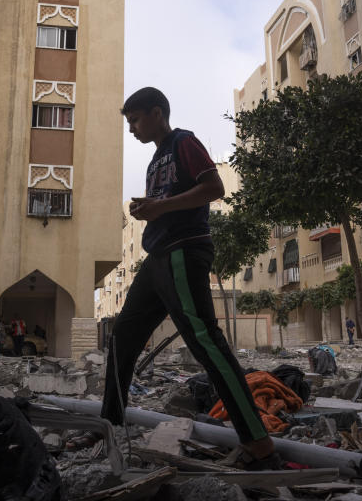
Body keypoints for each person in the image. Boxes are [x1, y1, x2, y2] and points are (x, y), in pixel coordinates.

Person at [101, 87, 278, 470]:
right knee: (124, 338)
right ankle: (109, 426)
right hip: (157, 256)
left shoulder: (184, 141)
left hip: (183, 251)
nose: (131, 129)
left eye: (135, 120)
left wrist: (160, 205)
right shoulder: (153, 163)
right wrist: (148, 208)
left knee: (205, 341)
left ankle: (258, 444)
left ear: (156, 113)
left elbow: (214, 187)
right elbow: (166, 204)